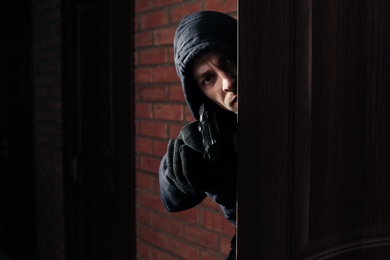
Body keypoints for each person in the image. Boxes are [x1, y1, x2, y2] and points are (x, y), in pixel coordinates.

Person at [158, 11, 238, 259]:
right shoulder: (217, 133)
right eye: (208, 78)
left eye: (227, 59)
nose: (227, 82)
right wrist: (178, 178)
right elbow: (169, 197)